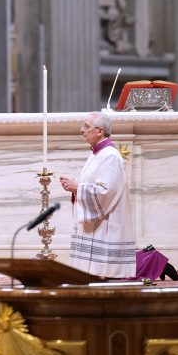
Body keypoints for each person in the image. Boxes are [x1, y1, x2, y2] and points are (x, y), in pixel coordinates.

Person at [59, 112, 136, 278]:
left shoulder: (110, 156)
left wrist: (78, 188)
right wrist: (77, 186)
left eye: (86, 126)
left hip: (106, 228)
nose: (82, 130)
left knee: (102, 277)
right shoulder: (96, 154)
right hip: (97, 226)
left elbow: (105, 193)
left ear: (100, 131)